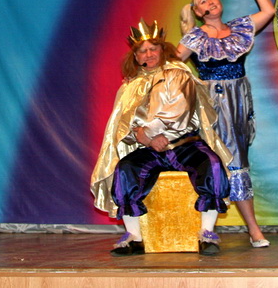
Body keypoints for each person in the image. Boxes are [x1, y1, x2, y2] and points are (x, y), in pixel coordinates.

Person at [91, 19, 233, 256]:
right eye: (142, 51)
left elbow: (179, 111)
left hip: (184, 145)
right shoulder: (130, 86)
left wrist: (152, 134)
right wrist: (145, 139)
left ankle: (207, 234)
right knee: (125, 170)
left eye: (153, 48)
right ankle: (134, 238)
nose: (148, 54)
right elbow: (122, 125)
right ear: (135, 56)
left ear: (162, 49)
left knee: (212, 165)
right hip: (150, 150)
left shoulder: (178, 74)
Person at [177, 0, 276, 248]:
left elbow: (269, 11)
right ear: (198, 12)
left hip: (238, 102)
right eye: (203, 1)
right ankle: (221, 230)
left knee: (238, 160)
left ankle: (249, 229)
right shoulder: (195, 38)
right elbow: (171, 64)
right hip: (212, 105)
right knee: (217, 161)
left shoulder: (239, 28)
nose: (210, 1)